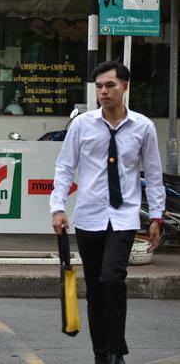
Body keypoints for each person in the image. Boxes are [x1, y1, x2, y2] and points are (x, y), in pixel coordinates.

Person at [50, 61, 165, 364]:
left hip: (124, 216)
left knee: (113, 278)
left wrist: (156, 216)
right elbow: (64, 168)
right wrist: (58, 207)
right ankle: (101, 354)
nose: (103, 91)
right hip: (89, 216)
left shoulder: (143, 127)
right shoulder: (82, 125)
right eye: (99, 86)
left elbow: (153, 174)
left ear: (124, 87)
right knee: (97, 288)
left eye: (110, 85)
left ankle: (117, 349)